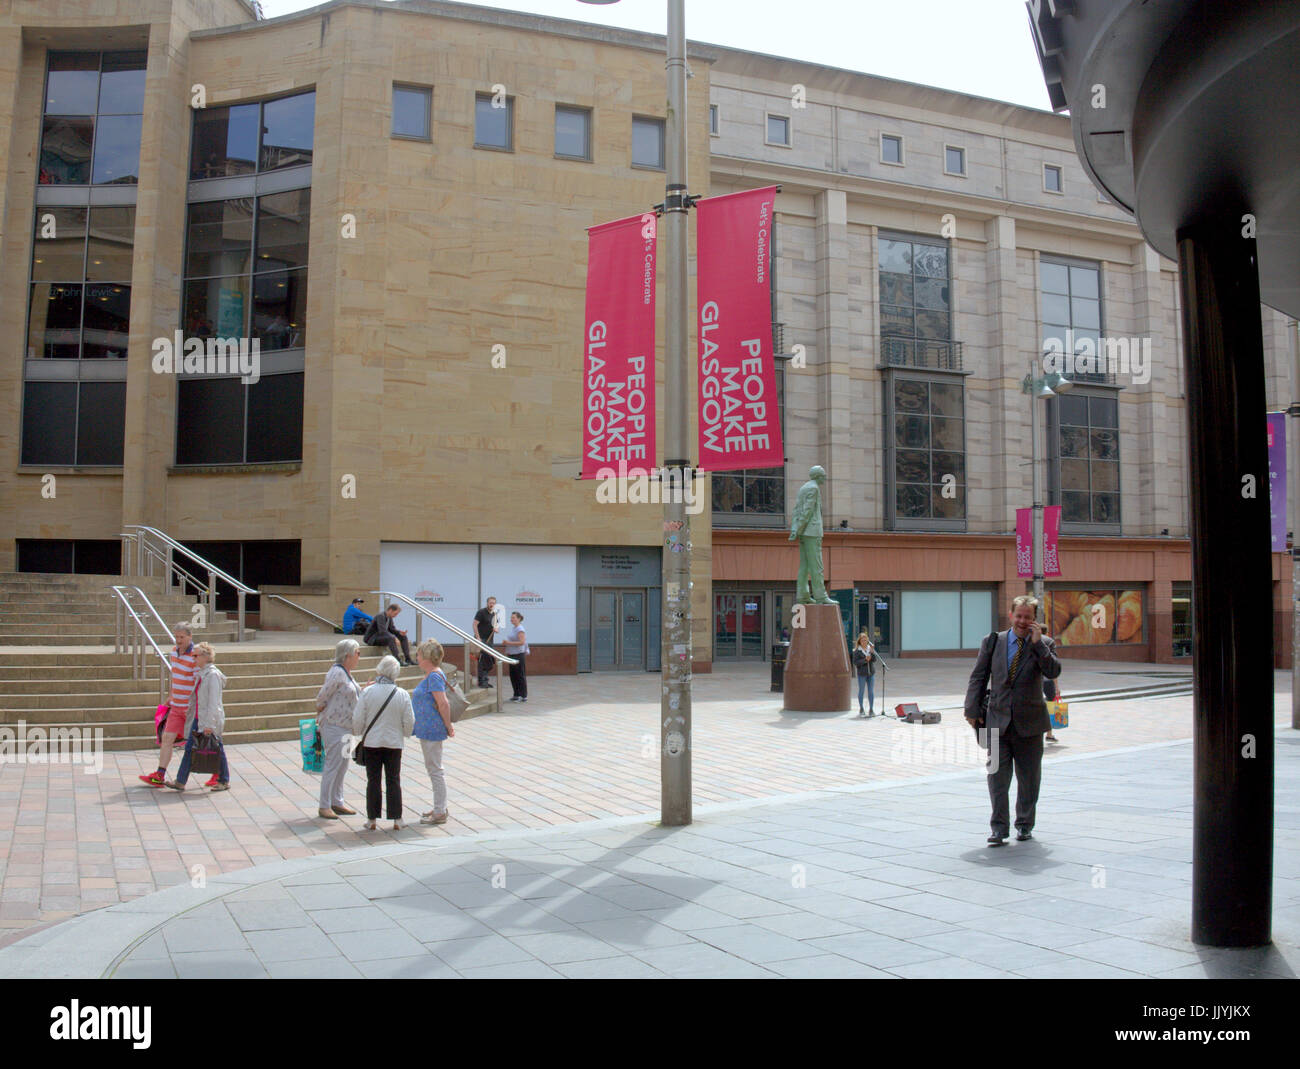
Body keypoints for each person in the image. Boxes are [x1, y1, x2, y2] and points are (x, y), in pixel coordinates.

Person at [963, 595, 1061, 846]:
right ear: (1011, 615)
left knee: (1029, 779)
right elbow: (978, 677)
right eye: (1018, 616)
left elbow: (1053, 672)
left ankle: (1025, 825)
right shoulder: (993, 641)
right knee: (996, 776)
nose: (1022, 621)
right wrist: (972, 710)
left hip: (1030, 724)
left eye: (1027, 617)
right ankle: (999, 828)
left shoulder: (1045, 642)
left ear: (1034, 620)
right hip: (996, 721)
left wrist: (1039, 645)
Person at [352, 654, 414, 830]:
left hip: (372, 741)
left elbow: (358, 717)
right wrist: (405, 733)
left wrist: (358, 732)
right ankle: (397, 818)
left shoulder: (368, 692)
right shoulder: (402, 694)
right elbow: (409, 721)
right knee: (393, 779)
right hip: (394, 742)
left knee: (373, 780)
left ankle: (372, 819)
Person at [139, 623, 199, 788]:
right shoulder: (174, 652)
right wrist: (171, 697)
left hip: (189, 708)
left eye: (182, 637)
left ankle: (218, 773)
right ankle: (160, 774)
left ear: (190, 637)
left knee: (198, 742)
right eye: (177, 637)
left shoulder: (195, 655)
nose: (179, 640)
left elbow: (196, 682)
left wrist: (193, 705)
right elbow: (176, 677)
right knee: (166, 738)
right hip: (176, 706)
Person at [165, 642, 229, 792]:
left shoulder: (212, 675)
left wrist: (209, 724)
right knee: (189, 748)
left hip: (208, 719)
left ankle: (223, 780)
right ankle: (180, 781)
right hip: (198, 717)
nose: (193, 659)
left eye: (196, 656)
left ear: (205, 657)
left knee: (217, 747)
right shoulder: (202, 674)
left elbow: (214, 703)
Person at [314, 639, 363, 819]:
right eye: (357, 653)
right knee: (333, 764)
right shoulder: (337, 672)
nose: (359, 657)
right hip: (334, 725)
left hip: (346, 726)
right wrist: (320, 707)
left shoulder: (347, 673)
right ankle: (324, 804)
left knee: (342, 765)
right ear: (347, 655)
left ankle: (337, 801)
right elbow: (323, 695)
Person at [412, 639, 456, 826]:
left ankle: (440, 810)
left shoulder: (434, 677)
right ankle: (439, 806)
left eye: (419, 654)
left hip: (432, 729)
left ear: (427, 657)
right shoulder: (432, 675)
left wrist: (448, 725)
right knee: (433, 769)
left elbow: (443, 703)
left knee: (435, 770)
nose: (417, 657)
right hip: (427, 729)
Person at [472, 596, 500, 687]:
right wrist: (478, 637)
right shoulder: (481, 612)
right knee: (483, 660)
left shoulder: (495, 614)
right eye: (490, 602)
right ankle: (482, 681)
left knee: (489, 660)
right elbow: (474, 625)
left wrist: (496, 629)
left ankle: (485, 680)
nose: (492, 604)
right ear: (487, 603)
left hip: (489, 641)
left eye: (493, 603)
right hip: (481, 640)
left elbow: (497, 626)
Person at [502, 611, 529, 702]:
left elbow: (522, 642)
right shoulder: (514, 628)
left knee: (520, 675)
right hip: (512, 654)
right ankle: (516, 694)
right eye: (511, 617)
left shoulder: (520, 629)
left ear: (519, 619)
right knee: (513, 675)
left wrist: (508, 643)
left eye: (513, 617)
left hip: (518, 654)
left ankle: (523, 695)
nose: (511, 619)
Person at [851, 632, 877, 717]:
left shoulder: (870, 649)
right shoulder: (857, 651)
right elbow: (856, 662)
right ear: (859, 641)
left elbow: (874, 660)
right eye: (862, 640)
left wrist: (872, 653)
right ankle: (861, 708)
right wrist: (865, 660)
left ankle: (871, 709)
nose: (864, 642)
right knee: (861, 691)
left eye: (866, 640)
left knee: (871, 692)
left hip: (871, 673)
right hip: (862, 674)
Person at [1044, 674, 1060, 743]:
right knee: (1050, 709)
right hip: (1048, 682)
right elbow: (1053, 673)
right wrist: (1057, 687)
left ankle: (1049, 734)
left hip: (1036, 682)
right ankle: (1049, 734)